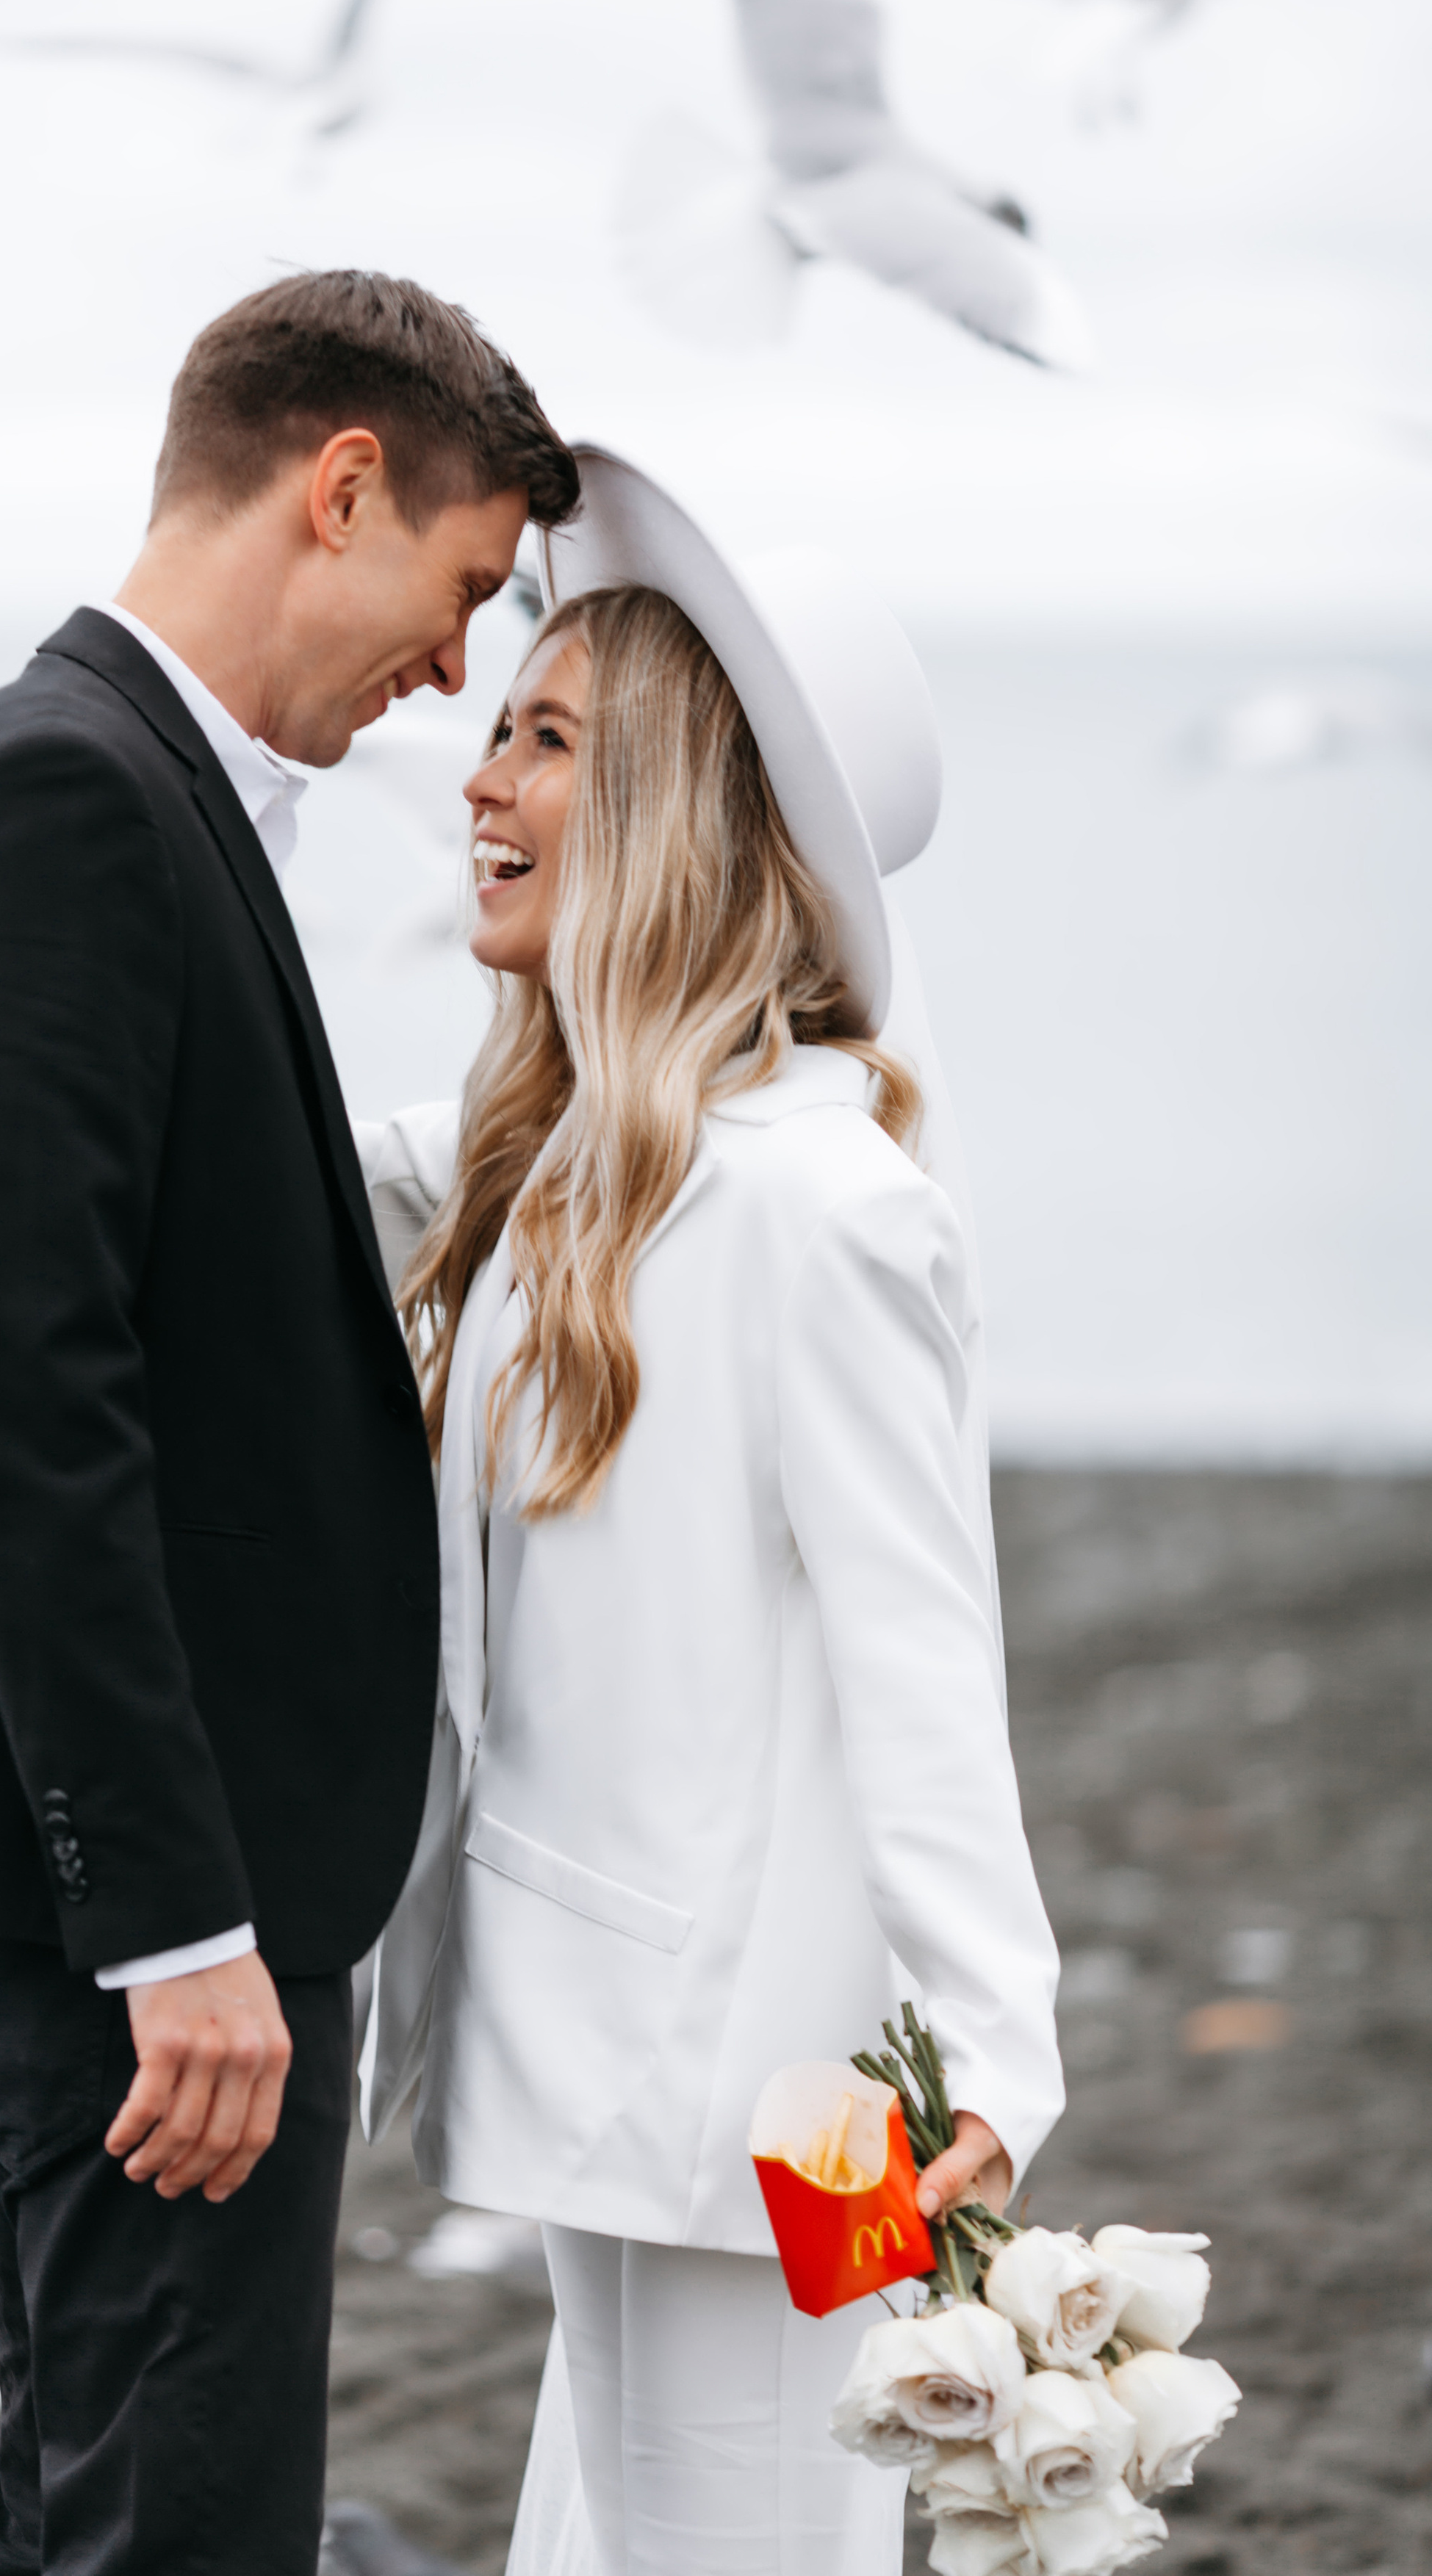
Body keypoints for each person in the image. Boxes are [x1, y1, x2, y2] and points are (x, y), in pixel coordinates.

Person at [0, 271, 580, 2575]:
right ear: (339, 488)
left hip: (109, 1880)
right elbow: (33, 1402)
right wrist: (176, 1925)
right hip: (126, 1900)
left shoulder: (118, 782)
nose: (452, 672)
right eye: (463, 588)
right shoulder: (65, 793)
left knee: (96, 2502)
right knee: (181, 2529)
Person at [356, 452, 1063, 2576]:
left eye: (549, 737)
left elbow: (926, 1660)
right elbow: (277, 1132)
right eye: (497, 722)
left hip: (800, 2114)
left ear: (674, 802)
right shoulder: (571, 1160)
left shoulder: (820, 1206)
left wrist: (999, 2072)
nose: (479, 773)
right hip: (614, 2054)